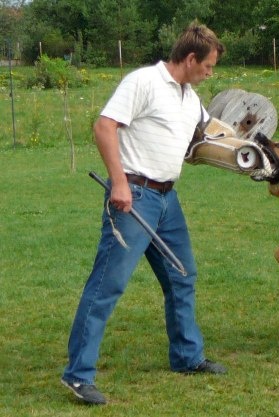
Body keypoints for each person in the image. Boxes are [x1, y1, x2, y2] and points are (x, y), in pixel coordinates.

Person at [61, 22, 226, 405]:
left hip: (168, 201)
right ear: (190, 58)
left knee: (182, 275)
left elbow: (207, 136)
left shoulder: (189, 97)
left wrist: (251, 151)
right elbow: (104, 127)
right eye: (208, 66)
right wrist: (118, 184)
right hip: (134, 197)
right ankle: (78, 374)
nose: (210, 73)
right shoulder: (144, 82)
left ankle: (187, 357)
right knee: (107, 286)